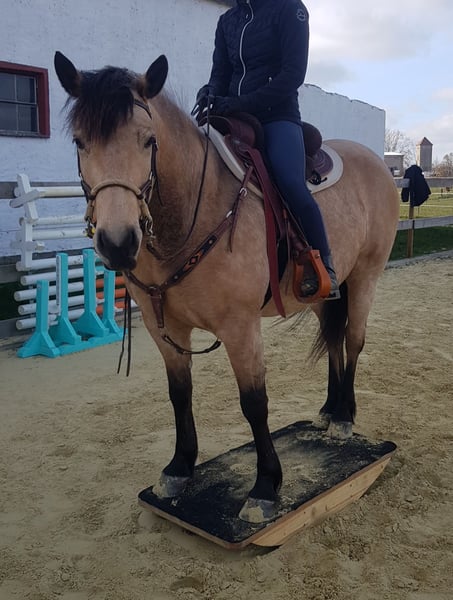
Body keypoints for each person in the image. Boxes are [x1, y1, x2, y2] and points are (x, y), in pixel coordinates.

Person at [192, 0, 340, 299]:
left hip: (277, 115)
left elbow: (293, 74)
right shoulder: (228, 21)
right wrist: (210, 91)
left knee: (290, 182)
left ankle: (323, 265)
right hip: (233, 114)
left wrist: (241, 102)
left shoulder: (290, 9)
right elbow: (221, 72)